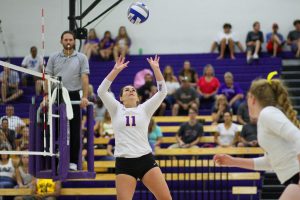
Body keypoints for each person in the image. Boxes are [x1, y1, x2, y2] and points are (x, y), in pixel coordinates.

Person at [97, 56, 171, 200]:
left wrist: (156, 69)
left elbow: (162, 92)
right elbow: (101, 91)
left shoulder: (145, 109)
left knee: (166, 198)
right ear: (121, 98)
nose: (130, 91)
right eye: (126, 90)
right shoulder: (116, 108)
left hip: (145, 160)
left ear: (137, 98)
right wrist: (115, 70)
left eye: (133, 90)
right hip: (125, 162)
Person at [213, 76, 300, 193]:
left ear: (252, 99)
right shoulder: (265, 117)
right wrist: (232, 161)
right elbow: (270, 162)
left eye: (247, 97)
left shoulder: (267, 113)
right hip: (292, 178)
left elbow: (298, 136)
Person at [45, 30, 90, 171]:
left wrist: (85, 97)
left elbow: (84, 78)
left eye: (71, 40)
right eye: (66, 40)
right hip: (56, 95)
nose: (68, 42)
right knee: (56, 128)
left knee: (75, 130)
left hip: (74, 96)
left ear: (74, 41)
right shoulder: (53, 57)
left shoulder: (81, 57)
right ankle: (57, 159)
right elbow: (48, 78)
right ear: (61, 41)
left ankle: (73, 162)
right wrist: (46, 96)